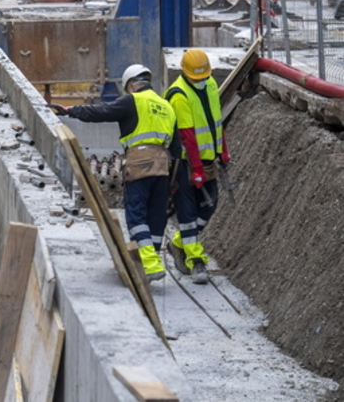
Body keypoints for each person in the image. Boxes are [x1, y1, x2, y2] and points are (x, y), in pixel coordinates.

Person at [51, 64, 178, 282]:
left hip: (139, 163)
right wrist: (174, 179)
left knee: (136, 213)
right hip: (163, 167)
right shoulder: (166, 106)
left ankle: (148, 264)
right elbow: (176, 146)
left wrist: (71, 110)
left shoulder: (133, 101)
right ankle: (154, 260)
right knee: (156, 214)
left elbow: (101, 111)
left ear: (130, 85)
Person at [164, 49, 230, 285]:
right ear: (185, 73)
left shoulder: (210, 84)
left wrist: (222, 149)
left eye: (203, 77)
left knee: (209, 206)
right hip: (185, 163)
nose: (201, 81)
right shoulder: (179, 95)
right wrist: (197, 169)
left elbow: (215, 120)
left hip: (207, 158)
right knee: (188, 213)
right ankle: (196, 261)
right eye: (196, 78)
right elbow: (188, 136)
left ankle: (178, 243)